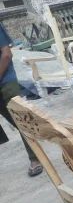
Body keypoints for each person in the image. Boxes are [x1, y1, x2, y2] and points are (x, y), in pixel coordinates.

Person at [0, 23, 43, 176]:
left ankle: (36, 158)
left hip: (5, 81)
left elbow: (6, 54)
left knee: (20, 120)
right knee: (17, 122)